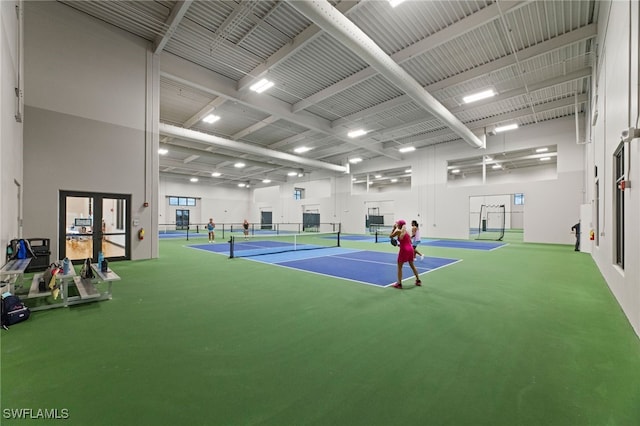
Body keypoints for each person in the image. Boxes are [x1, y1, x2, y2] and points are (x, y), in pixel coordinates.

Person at [389, 219, 422, 289]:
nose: (396, 224)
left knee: (399, 267)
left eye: (397, 224)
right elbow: (409, 241)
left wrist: (394, 228)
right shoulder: (406, 232)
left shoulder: (398, 231)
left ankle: (399, 284)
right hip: (410, 249)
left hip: (404, 250)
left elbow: (390, 236)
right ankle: (418, 280)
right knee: (412, 266)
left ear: (399, 225)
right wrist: (400, 244)